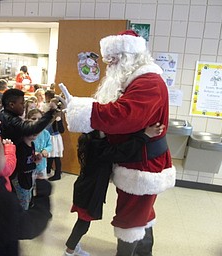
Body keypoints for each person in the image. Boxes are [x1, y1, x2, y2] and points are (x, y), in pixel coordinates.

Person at [59, 30, 176, 256]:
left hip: (143, 164)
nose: (108, 63)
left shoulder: (148, 82)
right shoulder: (137, 80)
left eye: (113, 58)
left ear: (129, 55)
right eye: (107, 58)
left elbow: (123, 115)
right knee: (142, 213)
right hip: (136, 158)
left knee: (130, 218)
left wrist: (81, 111)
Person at [63, 124, 165, 256]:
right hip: (89, 191)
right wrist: (145, 136)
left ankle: (73, 247)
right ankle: (69, 251)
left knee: (83, 221)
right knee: (83, 223)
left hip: (87, 188)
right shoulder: (97, 145)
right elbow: (121, 152)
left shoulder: (93, 140)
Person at [11, 127, 42, 210]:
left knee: (28, 197)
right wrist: (35, 164)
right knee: (23, 203)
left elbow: (29, 160)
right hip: (20, 180)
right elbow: (21, 167)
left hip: (29, 178)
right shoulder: (21, 147)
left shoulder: (32, 144)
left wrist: (35, 158)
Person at [44, 94, 65, 181]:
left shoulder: (58, 115)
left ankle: (57, 173)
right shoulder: (50, 114)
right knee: (50, 155)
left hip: (55, 138)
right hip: (49, 137)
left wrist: (59, 121)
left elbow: (62, 130)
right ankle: (48, 170)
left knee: (56, 156)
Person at [27, 108, 52, 179]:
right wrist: (34, 153)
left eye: (40, 119)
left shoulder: (45, 133)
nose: (37, 121)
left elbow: (50, 145)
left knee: (42, 185)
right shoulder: (27, 134)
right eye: (33, 119)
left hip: (42, 165)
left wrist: (46, 150)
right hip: (31, 166)